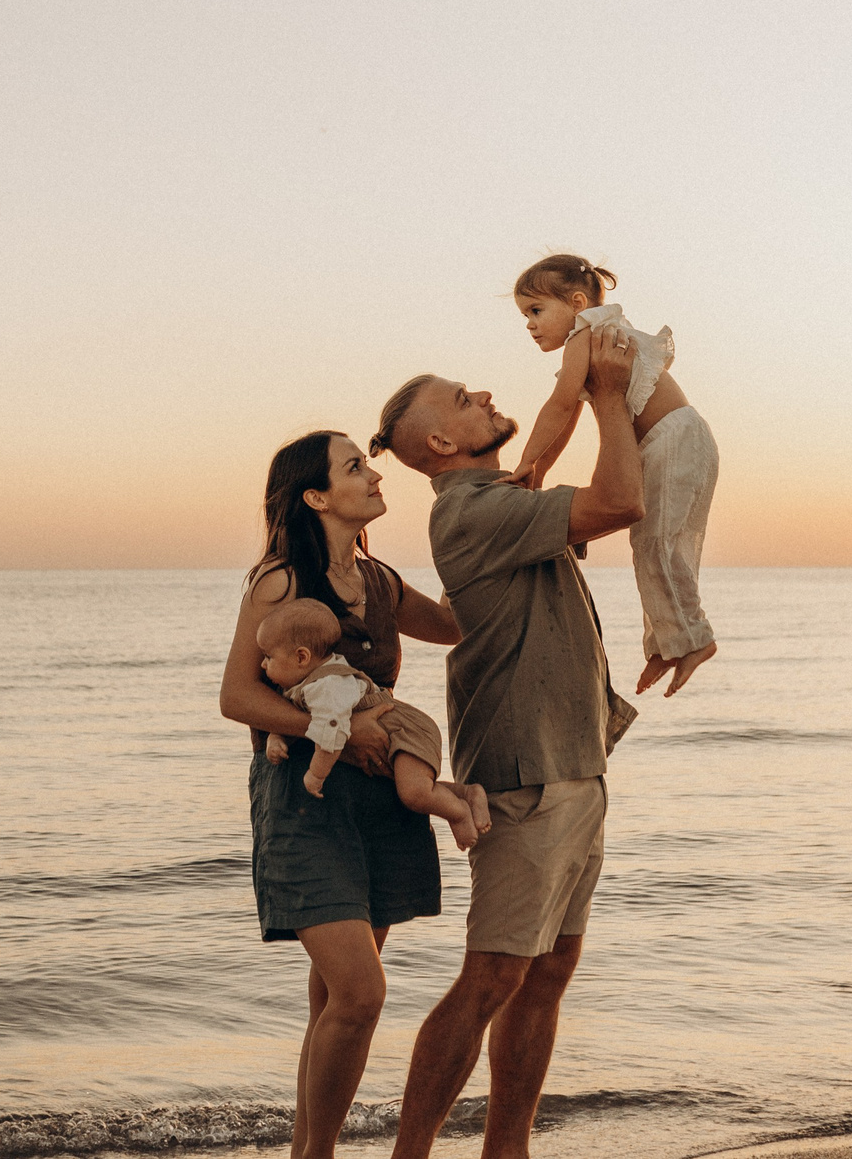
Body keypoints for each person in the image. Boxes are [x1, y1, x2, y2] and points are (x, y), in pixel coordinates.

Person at [365, 324, 645, 1159]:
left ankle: (506, 1148)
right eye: (462, 398)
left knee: (547, 970)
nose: (484, 392)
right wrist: (603, 391)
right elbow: (623, 500)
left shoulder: (503, 499)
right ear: (443, 442)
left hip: (574, 764)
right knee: (492, 975)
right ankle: (410, 1154)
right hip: (526, 772)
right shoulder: (475, 511)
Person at [219, 430, 467, 1159]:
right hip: (306, 796)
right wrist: (333, 729)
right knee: (360, 993)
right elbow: (236, 694)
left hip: (382, 799)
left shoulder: (381, 580)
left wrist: (496, 530)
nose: (374, 471)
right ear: (317, 495)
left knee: (336, 997)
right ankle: (314, 1154)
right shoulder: (281, 581)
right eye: (355, 465)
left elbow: (454, 625)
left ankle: (309, 1146)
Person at [505, 253, 720, 698]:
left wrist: (527, 463)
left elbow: (560, 407)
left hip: (672, 439)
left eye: (536, 310)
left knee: (656, 540)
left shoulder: (585, 336)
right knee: (657, 541)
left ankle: (694, 639)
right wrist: (541, 469)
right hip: (680, 438)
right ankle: (670, 640)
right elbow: (568, 420)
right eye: (525, 315)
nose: (529, 324)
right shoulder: (596, 336)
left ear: (578, 302)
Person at [257, 596, 487, 847]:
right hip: (396, 728)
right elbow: (301, 719)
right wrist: (276, 737)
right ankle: (465, 793)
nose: (262, 663)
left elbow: (331, 731)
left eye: (269, 657)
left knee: (413, 793)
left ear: (302, 657)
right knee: (412, 785)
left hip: (406, 729)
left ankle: (458, 814)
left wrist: (316, 774)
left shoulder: (327, 685)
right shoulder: (306, 685)